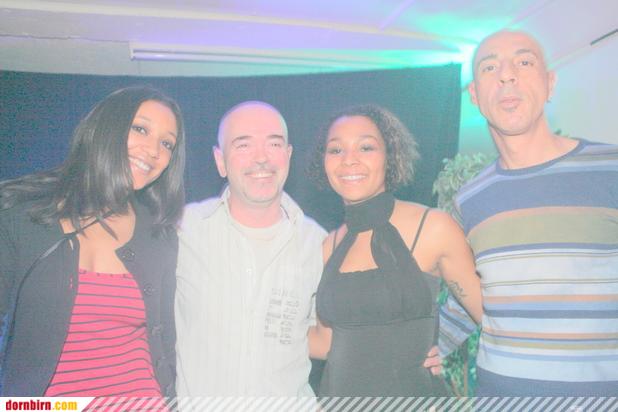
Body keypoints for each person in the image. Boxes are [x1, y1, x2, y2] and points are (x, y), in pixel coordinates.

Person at [455, 30, 618, 395]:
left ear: (549, 84)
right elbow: (467, 296)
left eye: (524, 62)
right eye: (490, 67)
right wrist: (421, 347)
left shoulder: (611, 169)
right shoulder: (469, 199)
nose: (506, 75)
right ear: (475, 96)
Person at [0, 86, 185, 399]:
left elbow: (167, 342)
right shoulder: (21, 217)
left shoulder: (160, 236)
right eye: (140, 129)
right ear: (105, 128)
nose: (154, 150)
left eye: (167, 143)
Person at [308, 105, 482, 396]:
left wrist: (452, 350)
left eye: (366, 147)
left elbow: (492, 319)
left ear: (390, 156)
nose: (349, 159)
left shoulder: (433, 227)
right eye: (336, 150)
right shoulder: (329, 246)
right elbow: (326, 343)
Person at [175, 101, 327, 396]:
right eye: (243, 145)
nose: (261, 158)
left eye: (274, 144)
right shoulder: (183, 230)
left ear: (288, 155)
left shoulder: (318, 244)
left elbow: (329, 339)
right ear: (220, 160)